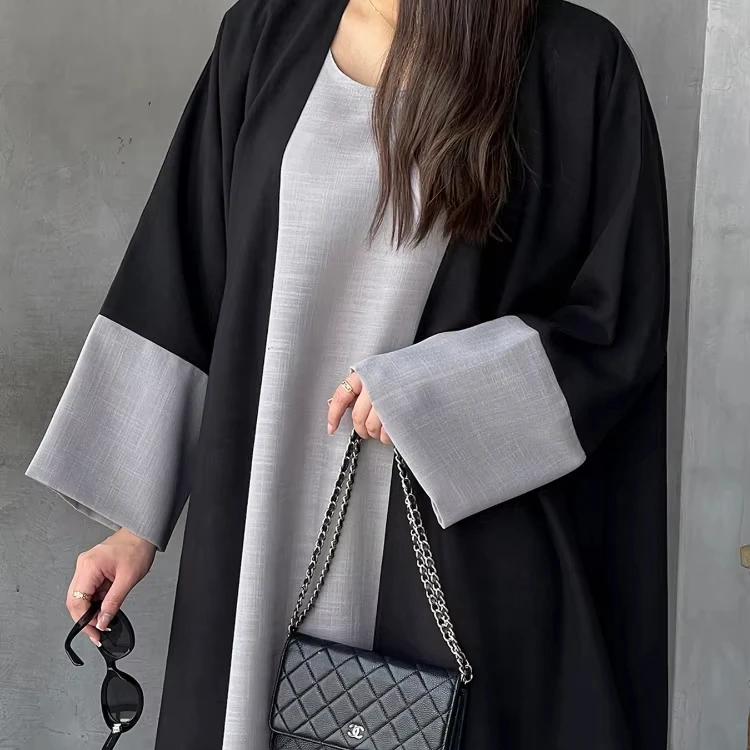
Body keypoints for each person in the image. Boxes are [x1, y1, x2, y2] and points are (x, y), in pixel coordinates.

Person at [25, 0, 670, 747]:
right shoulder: (264, 36)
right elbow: (190, 274)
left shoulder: (576, 63)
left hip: (456, 554)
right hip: (262, 512)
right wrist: (134, 528)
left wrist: (435, 393)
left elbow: (616, 324)